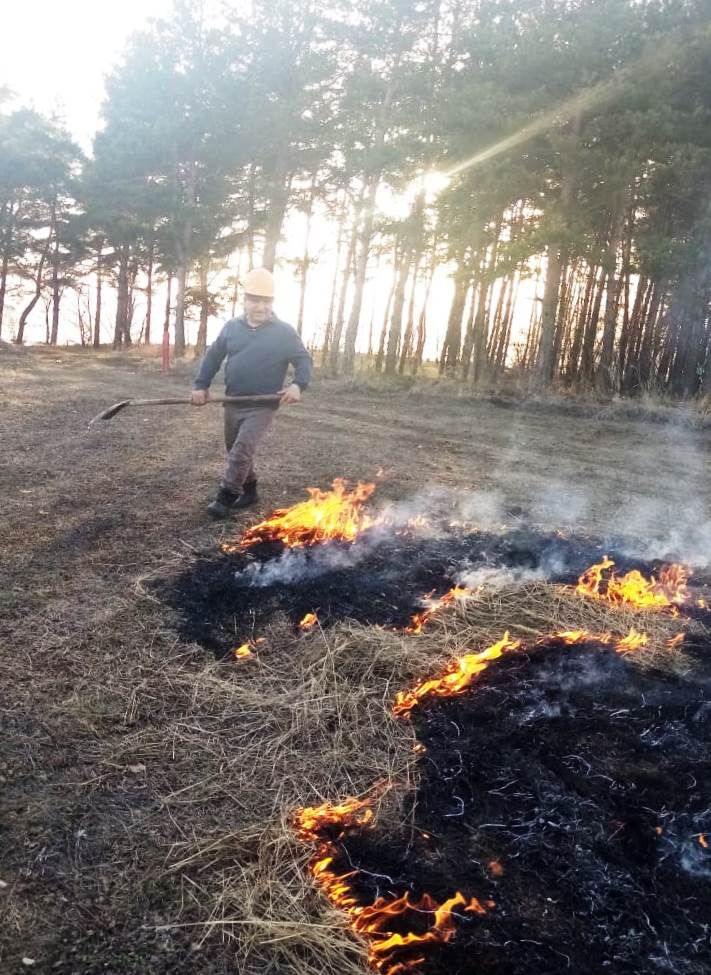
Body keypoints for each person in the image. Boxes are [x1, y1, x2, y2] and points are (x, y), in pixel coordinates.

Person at [191, 267, 312, 519]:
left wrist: (297, 385)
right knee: (235, 448)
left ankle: (225, 497)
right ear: (245, 300)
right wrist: (201, 386)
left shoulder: (284, 332)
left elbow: (303, 361)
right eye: (254, 300)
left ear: (273, 303)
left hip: (263, 405)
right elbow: (213, 357)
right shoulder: (231, 327)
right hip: (233, 402)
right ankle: (250, 490)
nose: (260, 306)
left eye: (266, 301)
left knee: (242, 450)